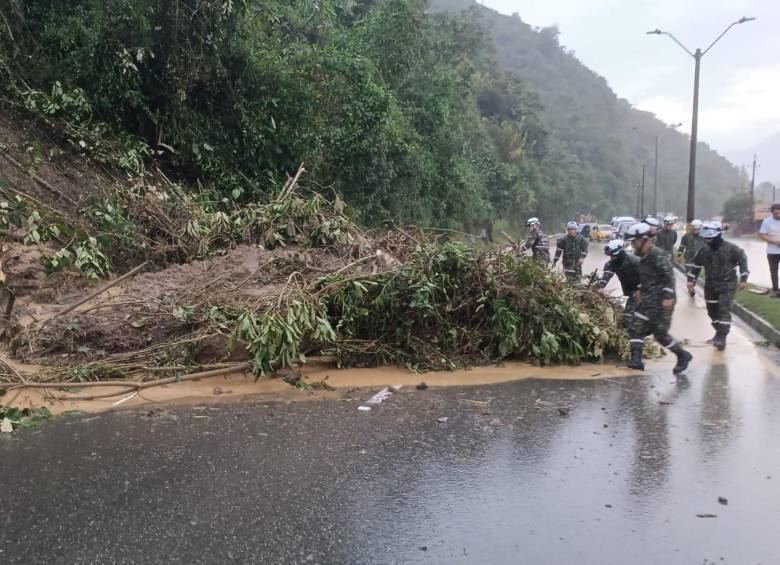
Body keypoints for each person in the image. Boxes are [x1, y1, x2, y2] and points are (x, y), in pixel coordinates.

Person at [623, 223, 692, 374]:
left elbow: (668, 276)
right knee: (635, 326)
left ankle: (683, 355)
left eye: (634, 241)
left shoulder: (657, 254)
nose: (633, 245)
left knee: (660, 334)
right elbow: (650, 278)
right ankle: (636, 361)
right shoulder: (644, 258)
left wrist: (667, 297)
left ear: (643, 240)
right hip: (648, 301)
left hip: (662, 302)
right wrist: (640, 290)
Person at [687, 221, 748, 350]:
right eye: (706, 238)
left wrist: (743, 278)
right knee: (712, 311)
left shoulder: (732, 248)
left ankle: (722, 337)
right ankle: (718, 332)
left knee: (724, 310)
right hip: (710, 285)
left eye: (711, 239)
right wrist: (691, 280)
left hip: (727, 284)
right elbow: (696, 266)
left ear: (718, 236)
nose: (708, 241)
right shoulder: (703, 251)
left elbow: (743, 260)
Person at [598, 239, 640, 326]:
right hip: (633, 293)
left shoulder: (635, 261)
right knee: (627, 318)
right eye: (610, 256)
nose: (612, 258)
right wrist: (600, 287)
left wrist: (641, 289)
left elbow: (650, 276)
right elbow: (606, 276)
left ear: (620, 253)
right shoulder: (611, 264)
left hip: (646, 292)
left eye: (613, 255)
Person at [678, 219, 705, 297]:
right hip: (689, 258)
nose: (696, 231)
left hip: (699, 260)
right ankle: (691, 289)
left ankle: (692, 285)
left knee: (695, 276)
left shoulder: (703, 237)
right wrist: (679, 255)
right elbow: (682, 246)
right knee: (690, 274)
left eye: (697, 229)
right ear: (691, 228)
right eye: (694, 229)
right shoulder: (686, 236)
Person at [759, 203, 780, 298]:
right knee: (774, 271)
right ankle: (775, 289)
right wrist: (774, 242)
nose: (778, 215)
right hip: (772, 251)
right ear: (772, 213)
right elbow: (762, 235)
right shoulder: (767, 222)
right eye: (776, 213)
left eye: (779, 213)